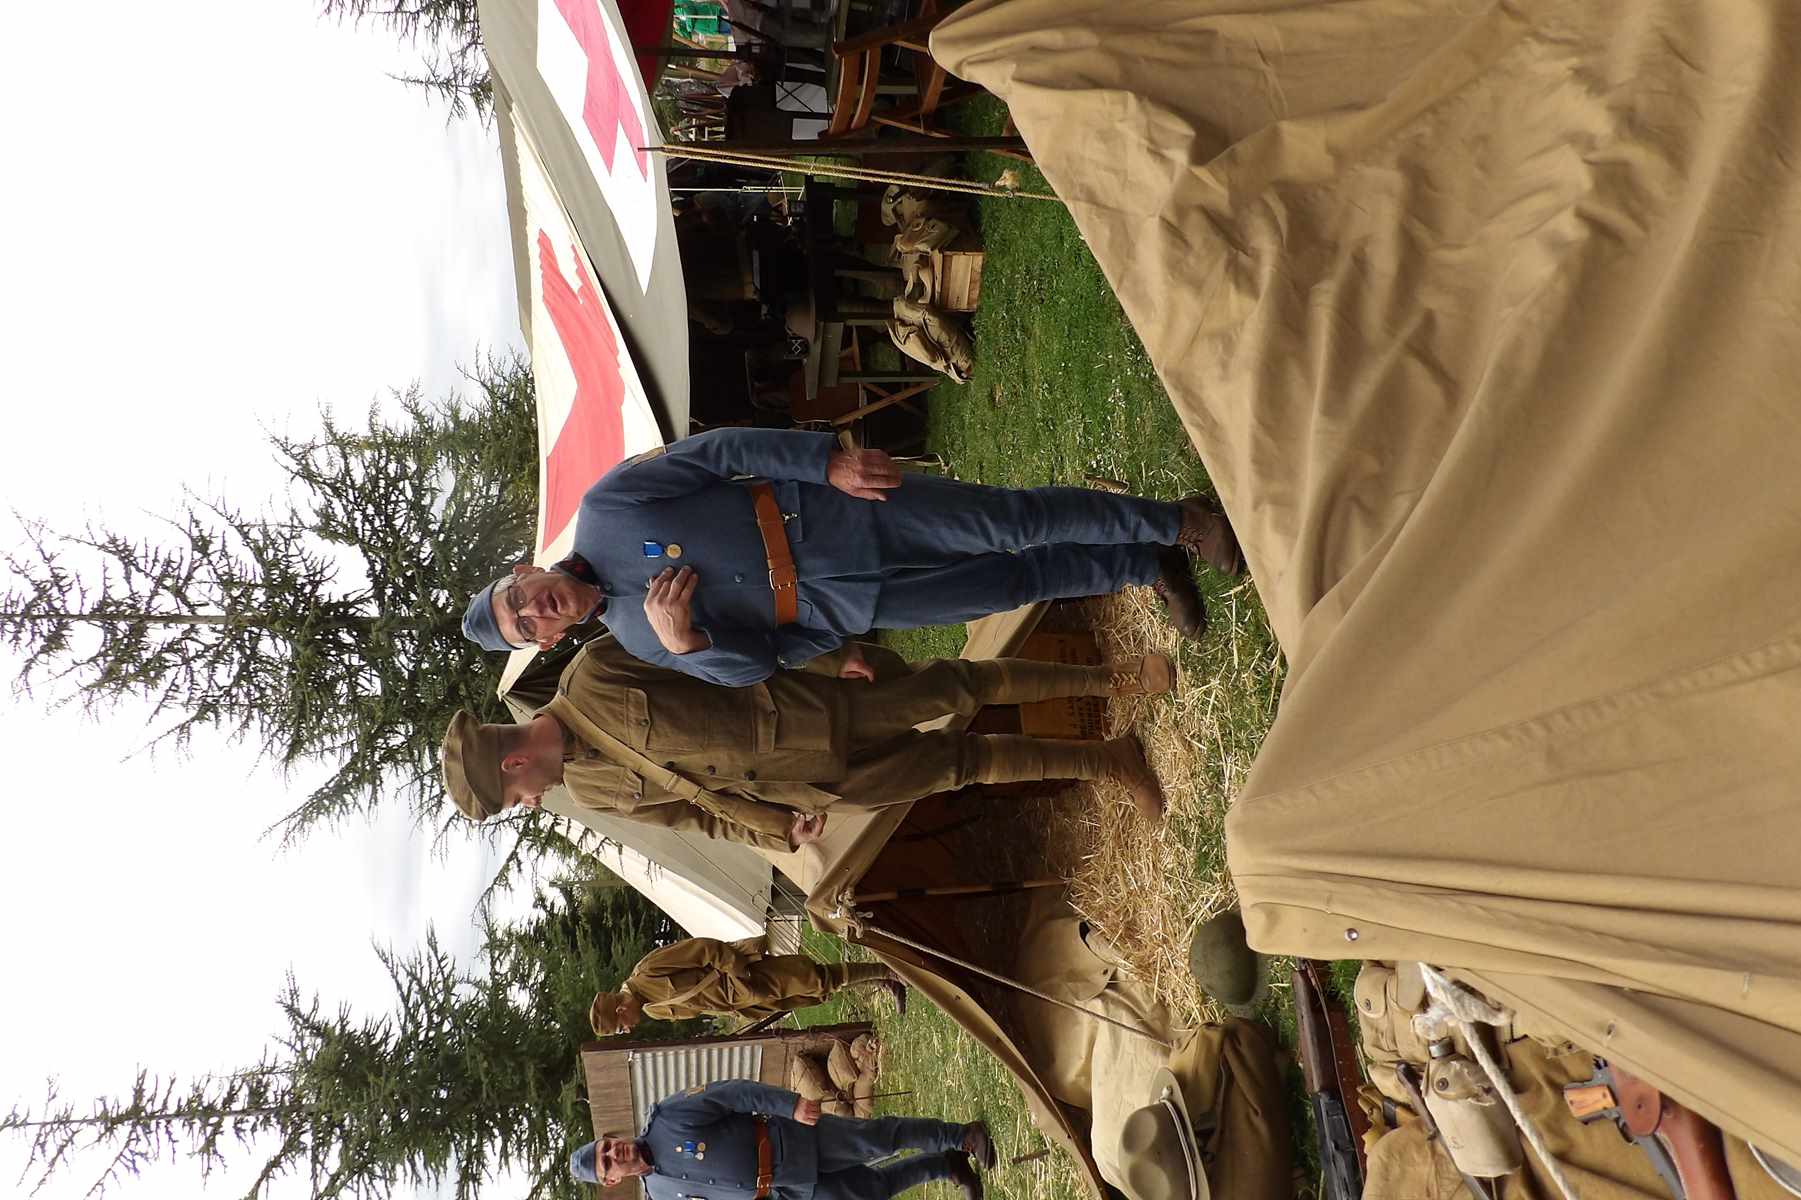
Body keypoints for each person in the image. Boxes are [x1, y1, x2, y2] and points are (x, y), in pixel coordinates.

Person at [460, 428, 1242, 686]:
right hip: (848, 605)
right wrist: (690, 644)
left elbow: (717, 451)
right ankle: (1142, 565)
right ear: (549, 643)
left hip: (832, 515)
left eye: (519, 597)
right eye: (527, 627)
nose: (535, 610)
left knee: (1011, 521)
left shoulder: (605, 508)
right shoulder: (639, 639)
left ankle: (1182, 523)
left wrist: (823, 462)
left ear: (527, 570)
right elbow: (760, 666)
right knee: (1010, 582)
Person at [440, 637, 1178, 840]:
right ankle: (1108, 763)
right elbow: (696, 816)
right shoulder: (592, 792)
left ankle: (1115, 679)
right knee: (963, 765)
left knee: (960, 686)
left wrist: (827, 656)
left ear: (513, 761)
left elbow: (721, 638)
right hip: (813, 785)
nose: (528, 802)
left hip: (816, 705)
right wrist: (777, 831)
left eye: (514, 795)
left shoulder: (596, 671)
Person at [568, 1080, 997, 1200]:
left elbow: (731, 1094)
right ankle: (945, 1165)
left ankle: (961, 1136)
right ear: (611, 1180)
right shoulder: (659, 1194)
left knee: (879, 1140)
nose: (614, 1153)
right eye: (607, 1162)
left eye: (607, 1146)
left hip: (790, 1139)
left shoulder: (666, 1118)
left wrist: (788, 1105)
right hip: (787, 1190)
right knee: (872, 1192)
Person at [590, 937, 907, 1035]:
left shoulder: (647, 971)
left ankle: (889, 971)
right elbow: (702, 1006)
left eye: (621, 1027)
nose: (628, 1030)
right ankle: (884, 980)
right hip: (745, 1003)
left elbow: (703, 949)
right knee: (815, 993)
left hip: (746, 977)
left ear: (620, 1010)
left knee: (814, 977)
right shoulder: (653, 1010)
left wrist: (741, 973)